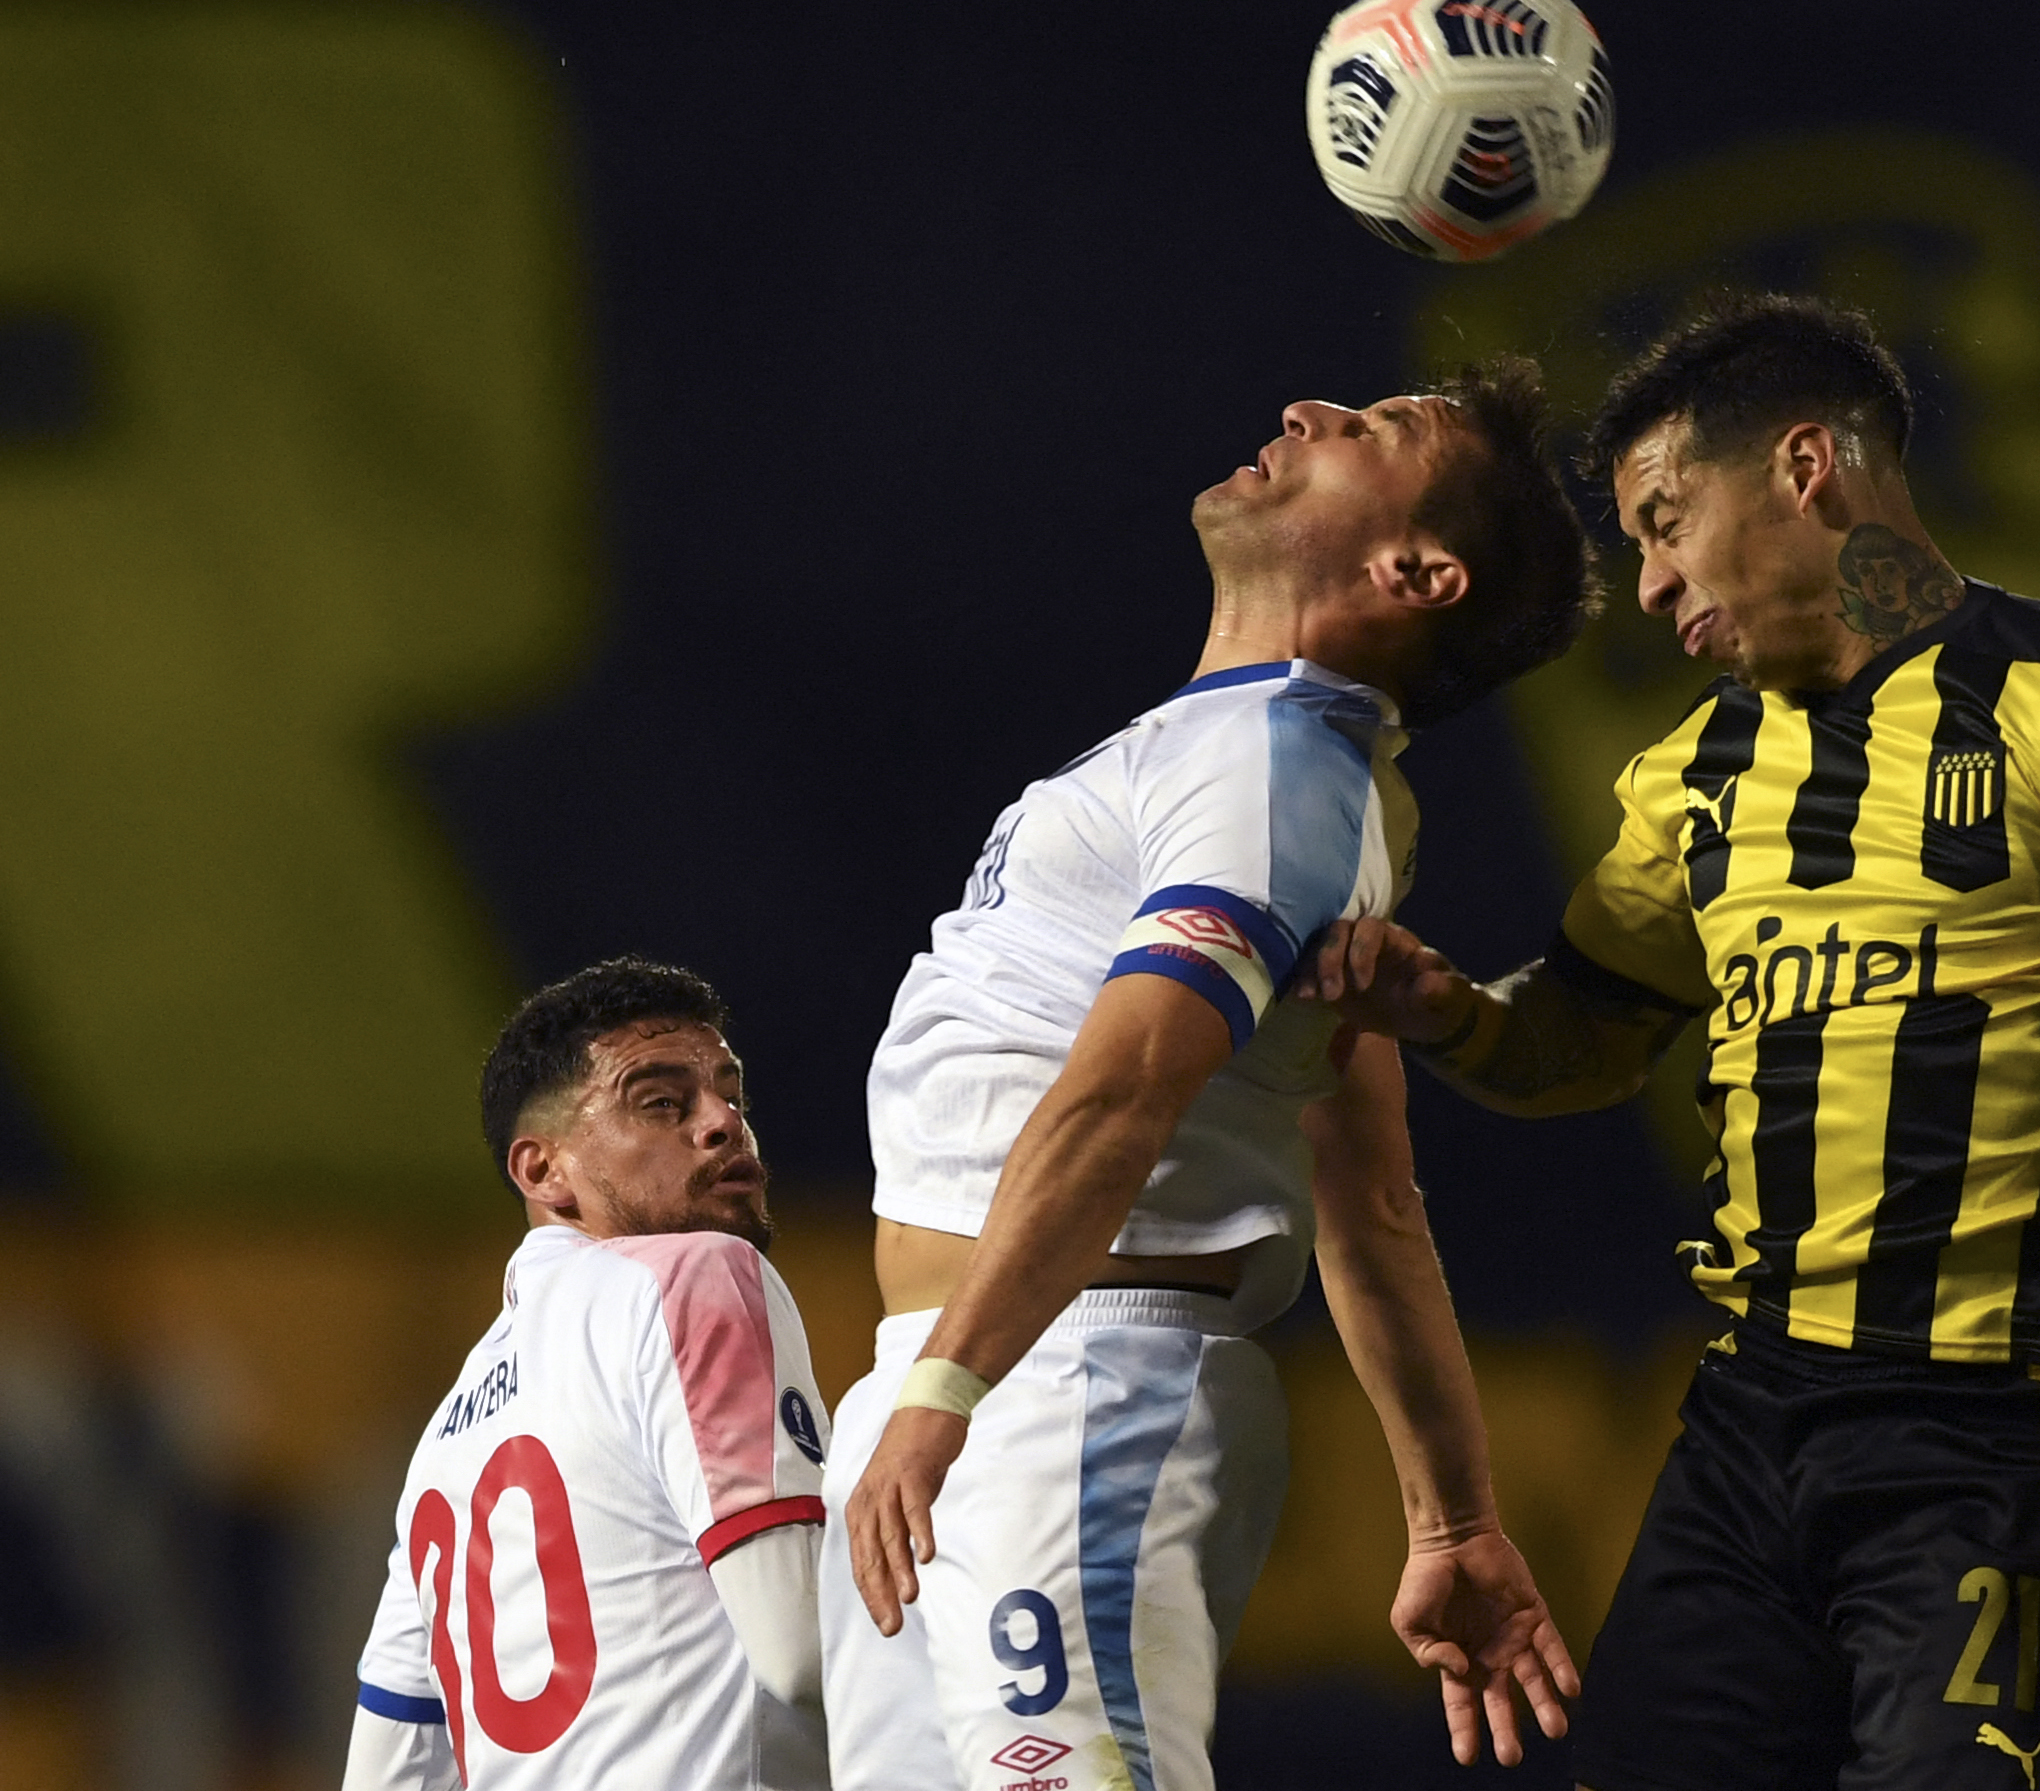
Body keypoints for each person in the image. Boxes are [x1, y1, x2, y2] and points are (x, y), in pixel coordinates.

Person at [1296, 293, 2040, 1791]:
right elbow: (1583, 1039)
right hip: (1749, 1427)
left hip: (2002, 1444)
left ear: (1807, 466)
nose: (1650, 586)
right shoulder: (1697, 778)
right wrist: (1449, 1012)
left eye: (1666, 520)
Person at [827, 359, 1603, 1791]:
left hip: (1067, 1375)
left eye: (1372, 431)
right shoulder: (1242, 758)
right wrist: (1446, 1519)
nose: (1310, 410)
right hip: (965, 1377)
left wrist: (950, 1385)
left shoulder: (1278, 769)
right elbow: (1368, 1198)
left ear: (1416, 568)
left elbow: (1124, 1095)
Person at [343, 958, 831, 1791]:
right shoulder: (694, 1276)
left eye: (729, 1093)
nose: (722, 1124)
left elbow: (386, 1771)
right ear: (543, 1170)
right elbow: (805, 1653)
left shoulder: (445, 1437)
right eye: (662, 1102)